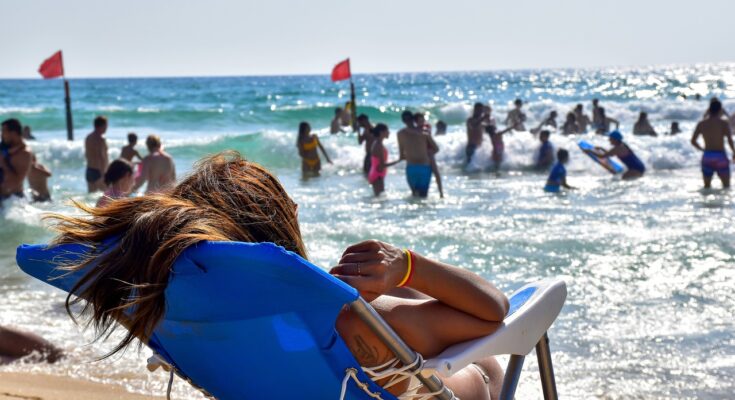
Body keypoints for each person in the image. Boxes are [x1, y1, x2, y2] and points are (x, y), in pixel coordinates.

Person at [47, 151, 509, 400]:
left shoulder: (181, 313)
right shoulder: (350, 316)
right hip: (430, 390)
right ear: (284, 219)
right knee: (487, 365)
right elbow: (491, 312)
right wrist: (410, 265)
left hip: (297, 380)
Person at [690, 99, 734, 189]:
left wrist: (702, 149)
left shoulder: (702, 123)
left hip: (707, 156)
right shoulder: (723, 123)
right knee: (726, 187)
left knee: (707, 188)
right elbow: (730, 140)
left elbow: (693, 141)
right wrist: (734, 152)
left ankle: (707, 203)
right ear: (720, 110)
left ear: (709, 109)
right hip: (720, 156)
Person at [397, 111, 439, 197]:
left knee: (415, 195)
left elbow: (401, 155)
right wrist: (425, 155)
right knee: (422, 196)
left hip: (412, 167)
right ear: (413, 120)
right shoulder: (423, 132)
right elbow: (436, 149)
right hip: (423, 167)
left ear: (403, 121)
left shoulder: (400, 134)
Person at [0, 119, 32, 201]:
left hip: (11, 201)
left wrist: (3, 163)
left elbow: (15, 183)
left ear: (13, 133)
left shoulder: (24, 154)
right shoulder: (5, 146)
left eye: (3, 132)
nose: (1, 135)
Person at [368, 124, 401, 196]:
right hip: (377, 174)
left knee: (379, 197)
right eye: (387, 131)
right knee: (379, 198)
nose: (389, 133)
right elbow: (382, 165)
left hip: (376, 173)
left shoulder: (377, 143)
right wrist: (398, 160)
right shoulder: (378, 145)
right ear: (381, 132)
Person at [416, 113, 444, 198]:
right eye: (420, 120)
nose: (422, 122)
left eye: (422, 120)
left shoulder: (426, 128)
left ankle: (441, 192)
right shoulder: (416, 129)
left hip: (429, 150)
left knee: (436, 172)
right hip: (421, 151)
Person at [85, 116, 109, 193]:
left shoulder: (88, 137)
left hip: (89, 170)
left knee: (90, 197)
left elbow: (87, 154)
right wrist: (104, 173)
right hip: (99, 172)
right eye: (106, 125)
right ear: (102, 126)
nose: (107, 128)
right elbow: (101, 157)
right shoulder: (101, 140)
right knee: (109, 197)